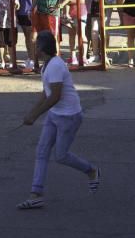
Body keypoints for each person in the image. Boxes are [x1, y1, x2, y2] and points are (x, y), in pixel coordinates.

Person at [17, 30, 101, 210]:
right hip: (56, 115)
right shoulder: (46, 65)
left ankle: (92, 171)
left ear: (42, 48)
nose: (33, 47)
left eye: (36, 44)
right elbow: (46, 92)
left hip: (69, 116)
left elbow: (55, 96)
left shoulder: (55, 66)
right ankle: (36, 194)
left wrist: (35, 115)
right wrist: (31, 113)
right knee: (41, 151)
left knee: (61, 156)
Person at [13, 0, 35, 71]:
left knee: (31, 37)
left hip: (30, 11)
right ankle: (31, 58)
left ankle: (33, 59)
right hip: (20, 12)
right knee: (27, 37)